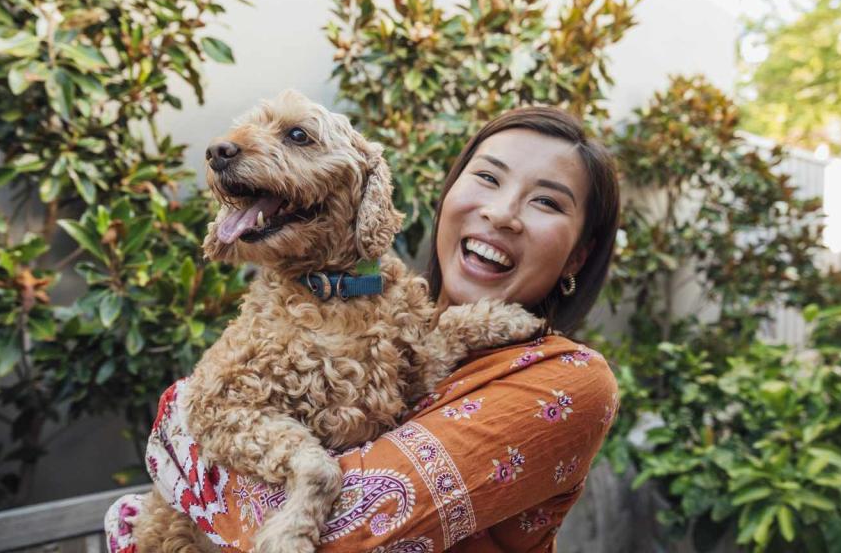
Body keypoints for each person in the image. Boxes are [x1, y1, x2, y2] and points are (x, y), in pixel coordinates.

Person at [106, 106, 621, 553]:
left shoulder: (569, 381)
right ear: (449, 194)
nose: (501, 212)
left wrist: (183, 438)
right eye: (487, 178)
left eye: (547, 202)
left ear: (579, 253)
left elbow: (353, 535)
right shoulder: (378, 310)